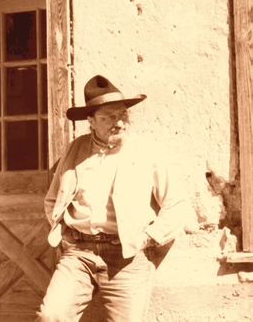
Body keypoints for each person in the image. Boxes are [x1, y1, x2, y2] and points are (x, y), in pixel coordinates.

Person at [36, 75, 188, 322]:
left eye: (123, 115)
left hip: (126, 257)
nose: (119, 123)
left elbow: (176, 204)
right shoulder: (75, 150)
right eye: (109, 117)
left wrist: (147, 239)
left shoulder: (147, 152)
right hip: (79, 254)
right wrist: (65, 233)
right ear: (91, 121)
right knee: (51, 316)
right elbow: (54, 199)